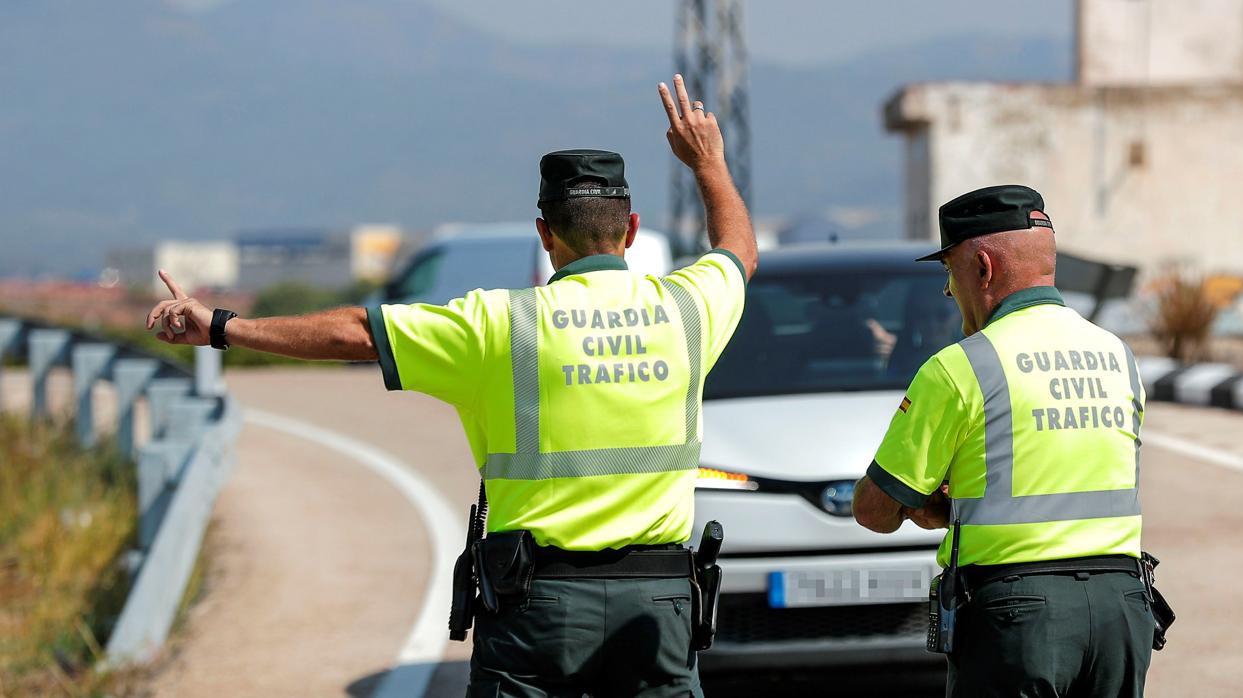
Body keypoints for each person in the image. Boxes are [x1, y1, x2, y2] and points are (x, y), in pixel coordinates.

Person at [145, 74, 756, 698]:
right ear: (631, 231)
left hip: (538, 607)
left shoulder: (496, 323)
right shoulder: (688, 309)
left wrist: (222, 326)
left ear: (544, 235)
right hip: (657, 605)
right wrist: (707, 161)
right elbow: (737, 249)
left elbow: (357, 333)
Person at [850, 185, 1155, 697]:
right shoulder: (1117, 356)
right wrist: (963, 509)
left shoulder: (962, 366)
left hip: (1019, 616)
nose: (949, 291)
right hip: (1121, 610)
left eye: (950, 271)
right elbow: (1066, 479)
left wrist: (930, 507)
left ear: (984, 269)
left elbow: (875, 510)